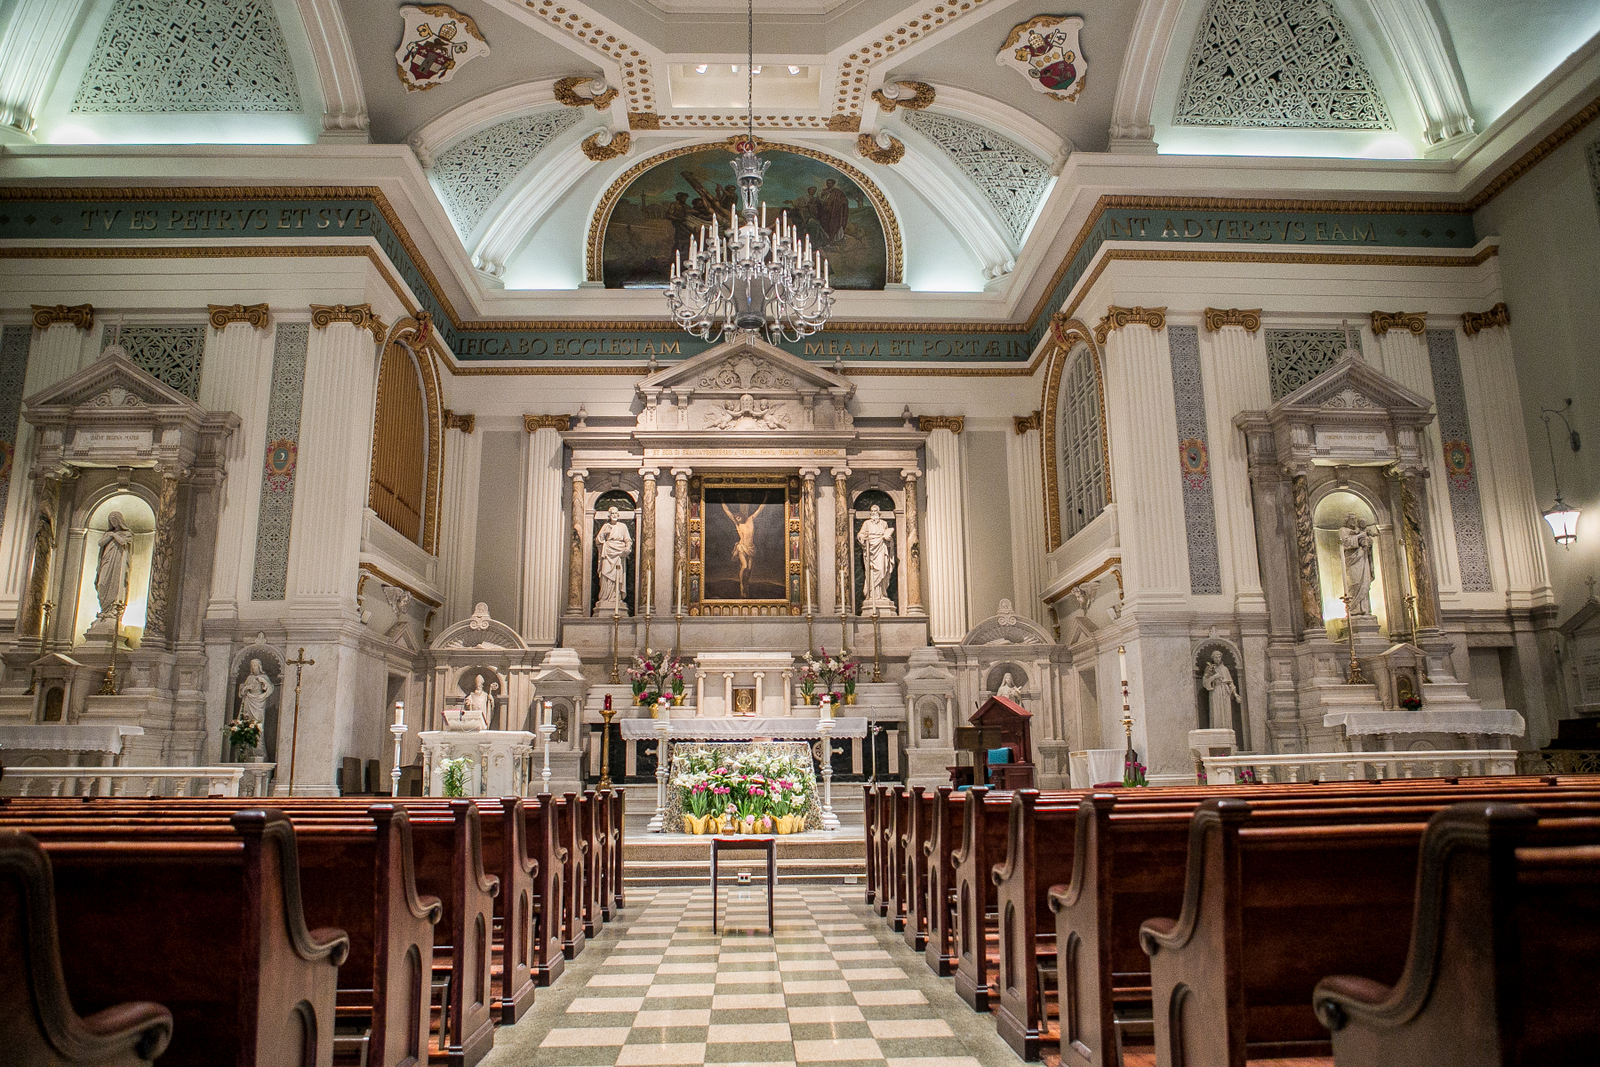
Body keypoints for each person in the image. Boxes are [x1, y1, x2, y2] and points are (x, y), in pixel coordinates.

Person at [720, 501, 768, 598]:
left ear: (742, 516)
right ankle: (742, 586)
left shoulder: (750, 519)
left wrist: (765, 500)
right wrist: (722, 501)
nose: (738, 519)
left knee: (749, 568)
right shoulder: (738, 525)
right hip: (742, 547)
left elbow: (759, 510)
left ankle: (746, 583)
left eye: (739, 517)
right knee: (745, 566)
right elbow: (728, 512)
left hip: (751, 548)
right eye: (736, 518)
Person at [94, 512, 133, 619]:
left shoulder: (127, 533)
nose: (113, 522)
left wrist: (115, 535)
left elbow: (123, 542)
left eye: (115, 519)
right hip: (106, 560)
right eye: (111, 520)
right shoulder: (107, 534)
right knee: (102, 583)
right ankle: (104, 610)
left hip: (117, 563)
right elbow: (100, 543)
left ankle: (112, 611)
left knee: (115, 584)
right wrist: (110, 535)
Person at [594, 507, 633, 610]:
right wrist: (603, 534)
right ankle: (605, 598)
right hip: (607, 552)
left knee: (617, 576)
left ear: (618, 515)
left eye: (616, 513)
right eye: (612, 513)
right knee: (605, 574)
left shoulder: (623, 526)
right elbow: (598, 540)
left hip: (619, 553)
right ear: (609, 515)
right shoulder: (605, 526)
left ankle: (616, 597)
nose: (614, 515)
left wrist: (627, 548)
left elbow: (628, 540)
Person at [857, 504, 895, 606]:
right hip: (871, 549)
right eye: (872, 512)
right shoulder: (867, 523)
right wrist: (861, 538)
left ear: (879, 513)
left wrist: (888, 539)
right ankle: (872, 594)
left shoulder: (884, 523)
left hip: (881, 547)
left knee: (882, 569)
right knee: (871, 571)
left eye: (876, 511)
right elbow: (861, 534)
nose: (874, 513)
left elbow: (888, 536)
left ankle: (882, 593)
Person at [1339, 513, 1374, 615]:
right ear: (1347, 520)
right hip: (1352, 561)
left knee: (1364, 582)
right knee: (1354, 583)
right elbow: (1345, 543)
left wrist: (1367, 542)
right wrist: (1360, 537)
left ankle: (1364, 609)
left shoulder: (1360, 531)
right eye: (1352, 519)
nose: (1354, 521)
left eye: (1355, 519)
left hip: (1363, 559)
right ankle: (1353, 610)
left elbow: (1368, 542)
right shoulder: (1343, 530)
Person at [1201, 651, 1239, 732]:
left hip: (1225, 691)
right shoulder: (1210, 668)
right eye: (1216, 657)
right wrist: (1214, 677)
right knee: (1216, 711)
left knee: (1226, 711)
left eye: (1219, 657)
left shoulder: (1225, 669)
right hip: (1215, 690)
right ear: (1213, 658)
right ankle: (1216, 731)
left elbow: (1230, 682)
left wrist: (1235, 695)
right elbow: (1205, 682)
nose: (1218, 659)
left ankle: (1227, 729)